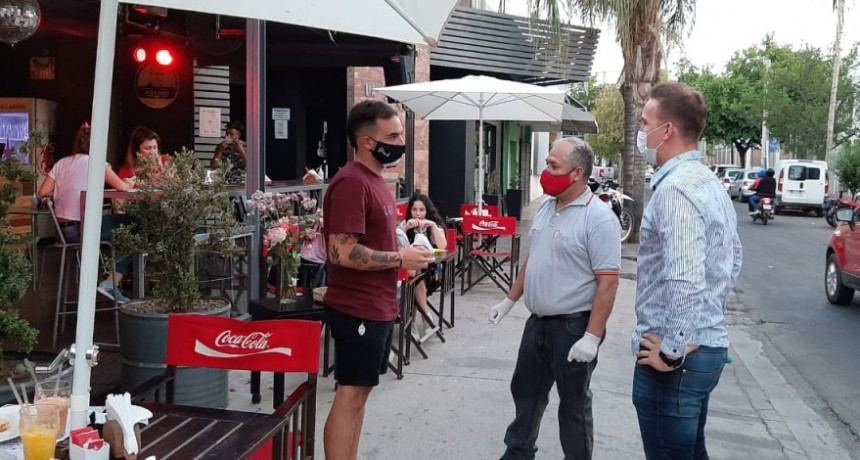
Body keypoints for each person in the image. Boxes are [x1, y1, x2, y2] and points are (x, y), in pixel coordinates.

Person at [489, 137, 621, 460]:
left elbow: (608, 283)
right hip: (538, 325)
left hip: (573, 327)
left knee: (573, 405)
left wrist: (591, 337)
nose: (545, 171)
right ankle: (518, 453)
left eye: (553, 165)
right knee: (526, 394)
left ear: (577, 173)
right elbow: (533, 260)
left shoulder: (599, 219)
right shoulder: (548, 207)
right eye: (546, 162)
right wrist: (509, 301)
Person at [632, 82, 743, 459]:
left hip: (676, 363)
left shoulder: (677, 190)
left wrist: (674, 348)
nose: (641, 132)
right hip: (703, 352)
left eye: (645, 122)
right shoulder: (708, 183)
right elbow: (733, 259)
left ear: (668, 131)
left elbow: (685, 277)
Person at [322, 100, 435, 460]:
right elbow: (341, 251)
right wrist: (401, 258)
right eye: (394, 135)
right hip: (357, 308)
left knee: (360, 395)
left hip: (378, 306)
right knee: (350, 394)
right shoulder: (352, 183)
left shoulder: (374, 181)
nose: (401, 141)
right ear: (368, 141)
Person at [37, 122, 136, 303]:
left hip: (64, 233)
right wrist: (130, 182)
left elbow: (42, 193)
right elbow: (123, 187)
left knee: (116, 229)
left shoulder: (62, 163)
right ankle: (110, 281)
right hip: (83, 231)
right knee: (134, 226)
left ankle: (101, 276)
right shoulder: (97, 163)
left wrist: (62, 191)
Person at [399, 194, 448, 342]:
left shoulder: (434, 226)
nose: (418, 213)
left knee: (415, 274)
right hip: (409, 273)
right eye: (414, 209)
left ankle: (412, 323)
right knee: (414, 273)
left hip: (433, 274)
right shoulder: (404, 225)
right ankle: (425, 315)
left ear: (427, 211)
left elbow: (442, 246)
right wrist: (405, 227)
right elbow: (394, 242)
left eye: (421, 209)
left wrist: (432, 226)